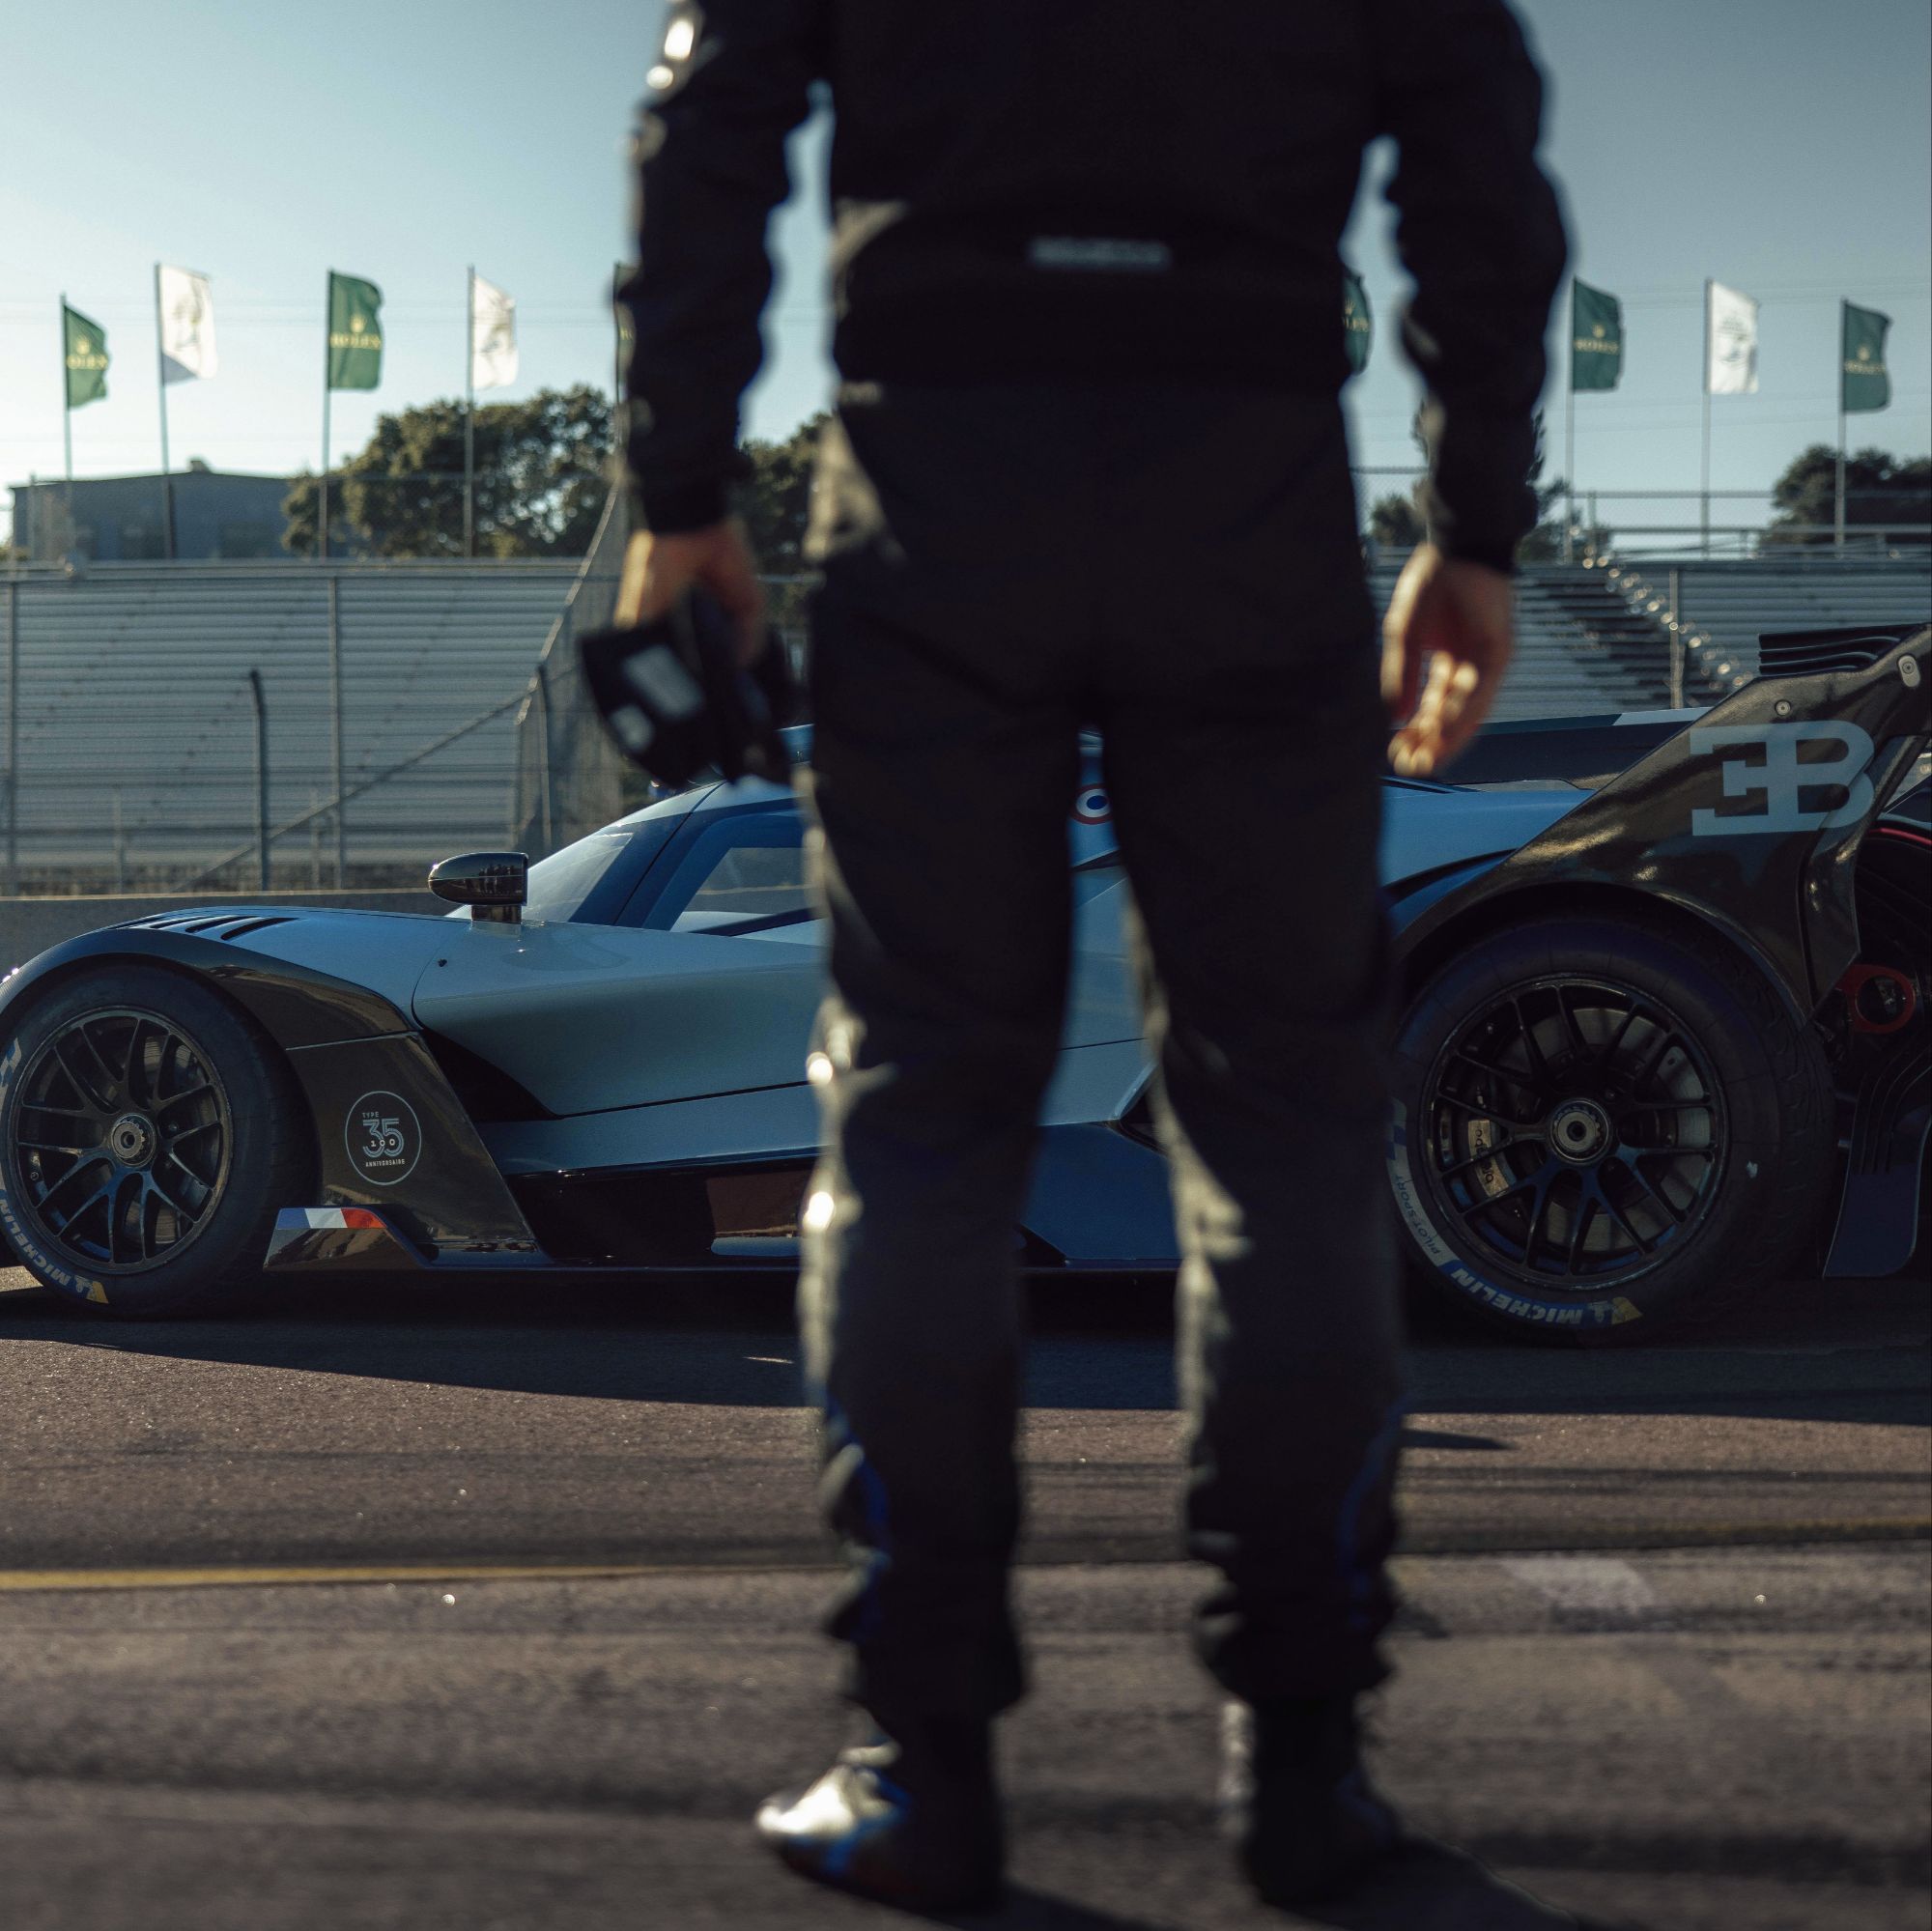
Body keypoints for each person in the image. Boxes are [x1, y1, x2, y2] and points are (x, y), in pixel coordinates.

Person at [615, 0, 1565, 1911]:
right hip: (1246, 474)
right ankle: (1305, 1770)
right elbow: (1477, 154)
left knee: (920, 1110)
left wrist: (681, 484)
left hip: (941, 469)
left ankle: (925, 1763)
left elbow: (708, 123)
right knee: (1284, 1120)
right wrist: (1474, 521)